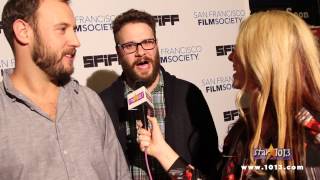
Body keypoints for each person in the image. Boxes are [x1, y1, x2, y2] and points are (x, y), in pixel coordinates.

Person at [138, 10, 320, 180]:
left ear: (264, 59)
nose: (230, 57)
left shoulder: (311, 139)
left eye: (240, 49)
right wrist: (161, 151)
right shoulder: (243, 132)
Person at [0, 0, 130, 179]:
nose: (76, 41)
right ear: (23, 32)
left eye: (74, 29)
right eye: (62, 29)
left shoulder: (89, 101)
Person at [99, 9, 221, 179]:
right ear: (118, 53)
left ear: (156, 45)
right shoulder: (102, 104)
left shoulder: (188, 95)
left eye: (147, 42)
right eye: (129, 46)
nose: (141, 52)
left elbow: (208, 166)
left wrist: (174, 168)